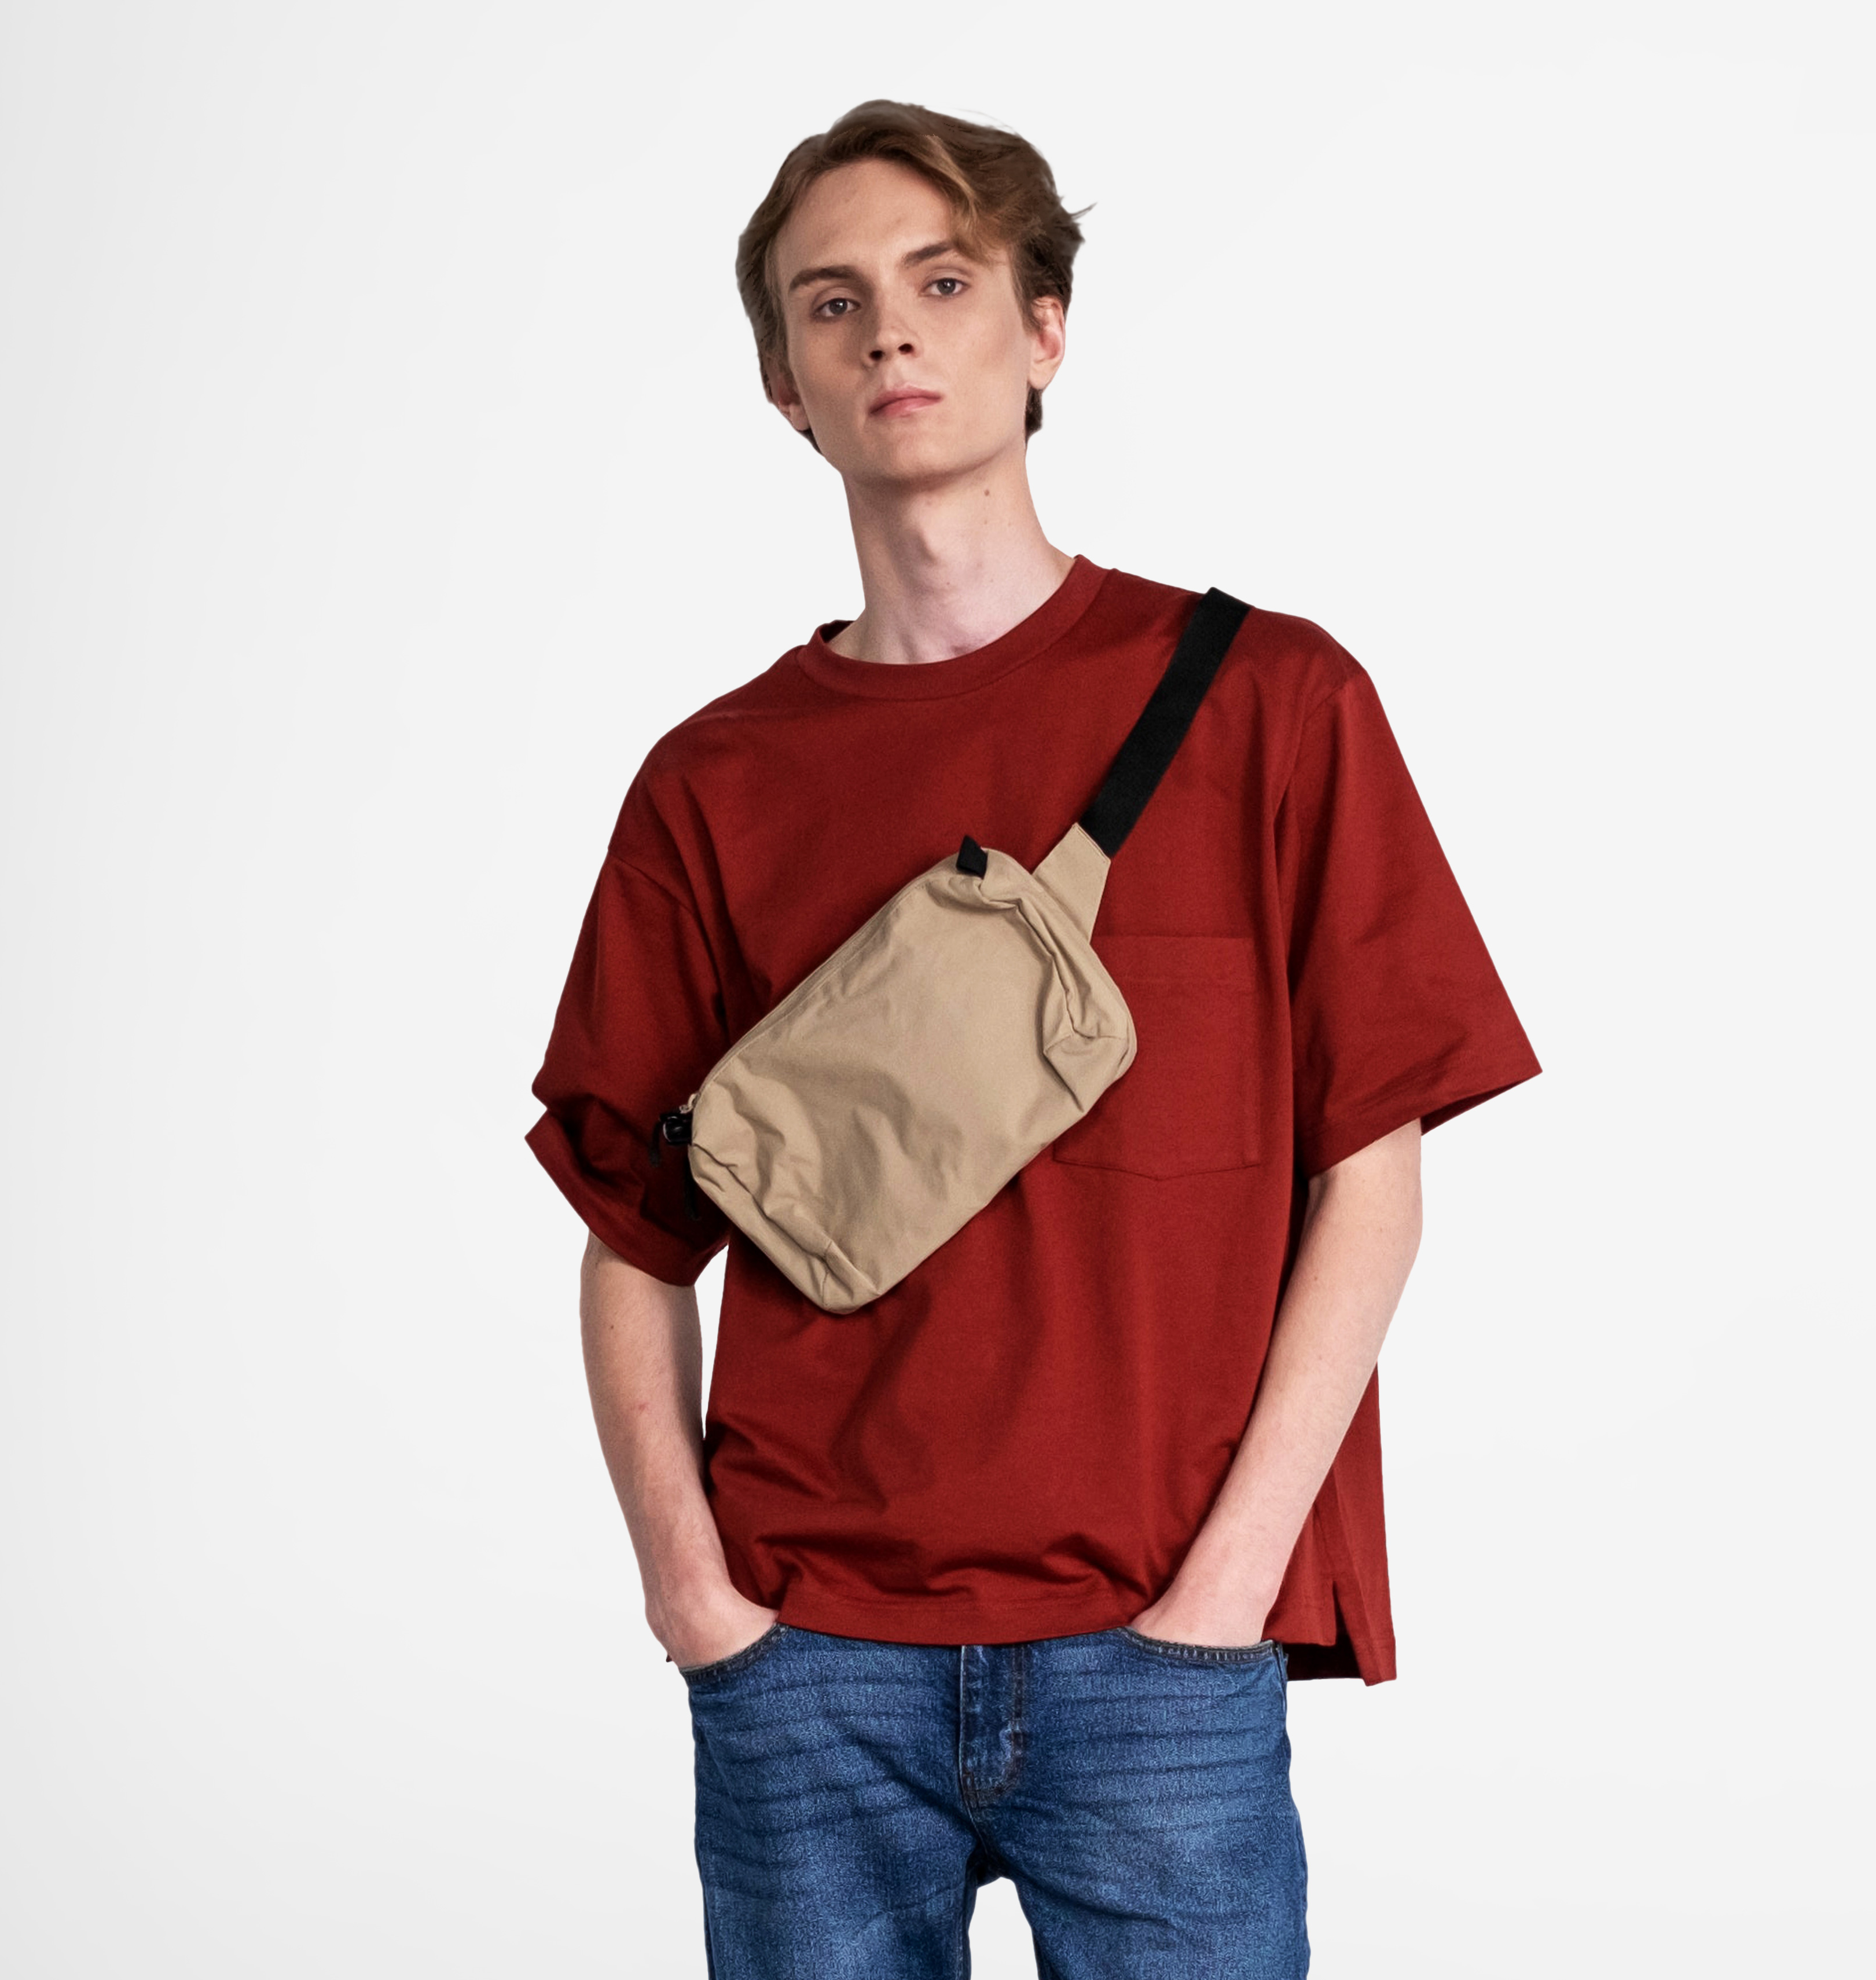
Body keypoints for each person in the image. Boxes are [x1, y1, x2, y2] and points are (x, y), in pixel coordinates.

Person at [525, 97, 1540, 1978]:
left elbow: (1372, 1181)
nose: (887, 336)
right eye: (831, 304)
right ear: (782, 382)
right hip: (808, 1658)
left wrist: (1223, 1588)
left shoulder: (1271, 702)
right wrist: (698, 1599)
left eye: (941, 283)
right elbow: (628, 1237)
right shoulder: (713, 782)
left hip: (1158, 1646)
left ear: (1043, 330)